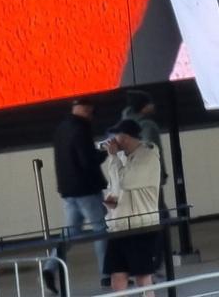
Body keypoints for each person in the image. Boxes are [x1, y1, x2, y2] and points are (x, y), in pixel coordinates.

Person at [43, 98, 109, 294]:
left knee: (71, 232)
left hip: (67, 190)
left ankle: (49, 267)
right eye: (91, 110)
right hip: (86, 189)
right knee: (101, 229)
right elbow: (87, 161)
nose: (92, 114)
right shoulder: (81, 129)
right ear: (84, 109)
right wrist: (104, 153)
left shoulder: (61, 128)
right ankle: (106, 275)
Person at [103, 119, 161, 295]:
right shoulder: (121, 158)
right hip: (119, 226)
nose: (112, 140)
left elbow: (125, 181)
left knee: (143, 278)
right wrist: (110, 200)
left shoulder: (148, 156)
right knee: (117, 278)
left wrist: (112, 156)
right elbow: (114, 186)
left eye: (116, 136)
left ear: (125, 137)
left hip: (141, 227)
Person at [122, 90, 168, 275]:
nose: (153, 105)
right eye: (149, 102)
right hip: (150, 181)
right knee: (159, 220)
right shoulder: (147, 126)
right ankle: (154, 263)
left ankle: (143, 262)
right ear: (143, 107)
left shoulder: (124, 123)